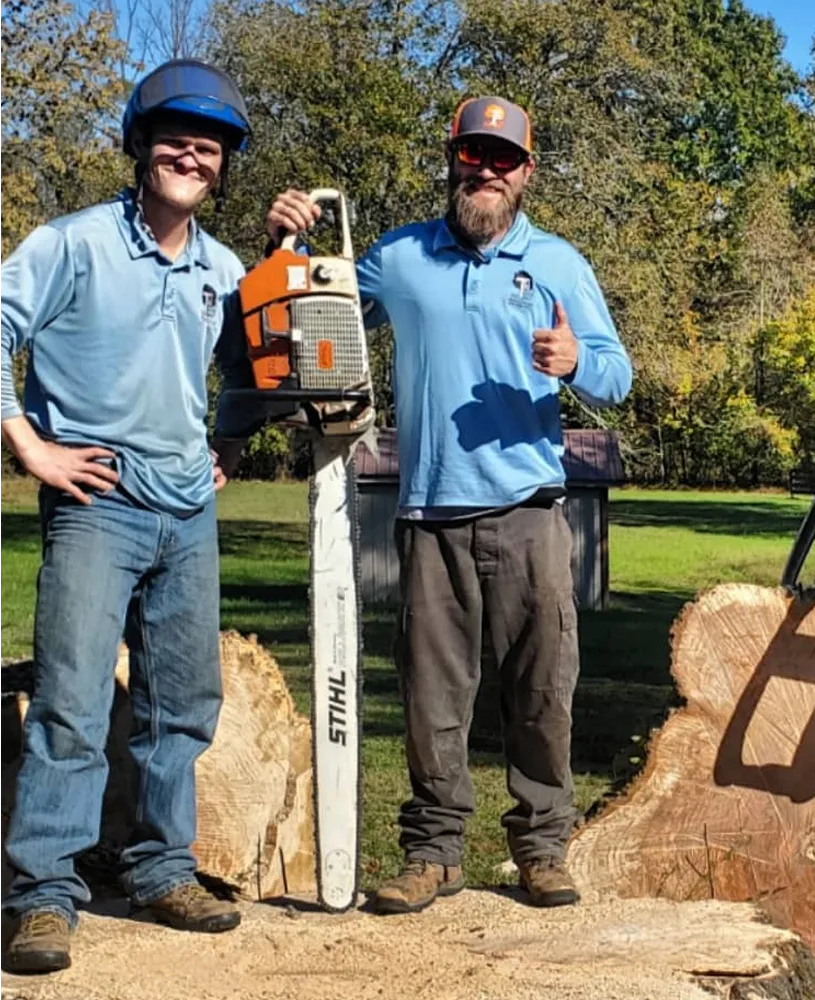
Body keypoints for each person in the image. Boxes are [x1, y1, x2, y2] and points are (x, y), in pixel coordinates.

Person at [263, 95, 632, 914]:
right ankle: (432, 853)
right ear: (452, 160)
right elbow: (310, 308)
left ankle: (542, 848)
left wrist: (576, 360)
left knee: (541, 693)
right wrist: (287, 242)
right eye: (474, 155)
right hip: (428, 513)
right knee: (431, 700)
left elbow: (618, 374)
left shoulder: (558, 263)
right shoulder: (399, 257)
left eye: (504, 159)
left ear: (526, 172)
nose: (487, 171)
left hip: (530, 510)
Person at [0, 59, 269, 973]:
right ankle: (44, 895)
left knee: (181, 708)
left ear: (224, 166)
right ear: (139, 144)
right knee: (72, 707)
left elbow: (248, 368)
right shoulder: (71, 244)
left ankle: (161, 871)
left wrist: (229, 444)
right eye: (176, 139)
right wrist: (31, 448)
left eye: (211, 147)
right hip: (96, 505)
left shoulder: (222, 269)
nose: (193, 156)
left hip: (187, 513)